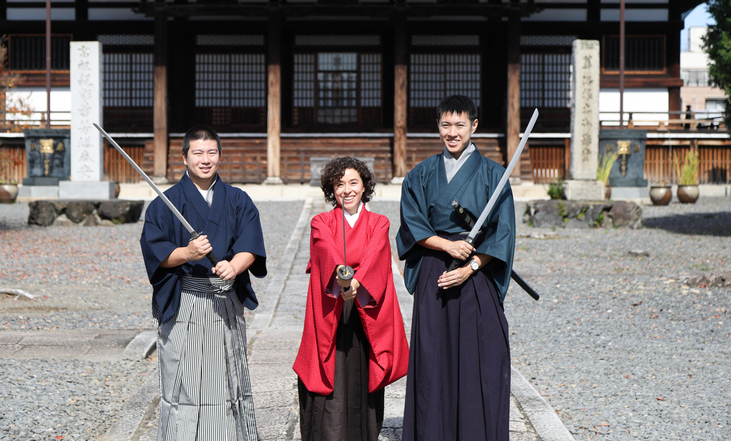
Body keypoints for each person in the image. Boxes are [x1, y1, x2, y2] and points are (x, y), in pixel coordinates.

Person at [396, 95, 516, 441]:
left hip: (476, 272)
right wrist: (448, 245)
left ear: (473, 126)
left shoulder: (494, 174)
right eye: (446, 125)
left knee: (482, 353)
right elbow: (413, 225)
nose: (453, 132)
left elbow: (503, 232)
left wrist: (472, 265)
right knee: (434, 356)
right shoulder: (420, 174)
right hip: (436, 267)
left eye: (460, 125)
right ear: (438, 127)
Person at [140, 125, 267, 441]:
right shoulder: (165, 203)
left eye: (212, 152)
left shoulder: (238, 200)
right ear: (184, 157)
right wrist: (187, 252)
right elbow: (156, 253)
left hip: (224, 301)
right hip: (186, 303)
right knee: (183, 382)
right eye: (198, 152)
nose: (205, 159)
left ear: (220, 157)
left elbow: (251, 245)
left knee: (227, 380)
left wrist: (233, 266)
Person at [294, 156, 409, 441]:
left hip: (365, 306)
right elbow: (327, 250)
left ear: (364, 186)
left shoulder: (379, 222)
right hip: (333, 304)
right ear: (331, 190)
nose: (346, 190)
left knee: (362, 371)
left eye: (353, 183)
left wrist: (356, 282)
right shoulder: (321, 221)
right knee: (331, 371)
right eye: (339, 184)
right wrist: (343, 278)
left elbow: (375, 256)